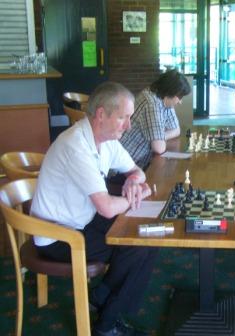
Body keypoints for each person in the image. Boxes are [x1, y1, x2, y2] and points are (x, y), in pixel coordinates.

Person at [31, 82, 158, 336]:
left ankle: (101, 296)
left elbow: (136, 171)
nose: (129, 125)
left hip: (82, 220)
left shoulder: (107, 139)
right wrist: (138, 196)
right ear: (101, 114)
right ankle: (106, 324)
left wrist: (134, 181)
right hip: (58, 235)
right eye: (124, 117)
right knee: (138, 245)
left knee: (151, 236)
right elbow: (107, 208)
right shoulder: (76, 145)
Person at [120, 69, 191, 170]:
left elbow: (176, 130)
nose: (180, 102)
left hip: (139, 163)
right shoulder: (152, 104)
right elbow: (159, 148)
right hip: (126, 167)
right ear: (171, 92)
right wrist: (157, 139)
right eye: (179, 97)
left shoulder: (164, 99)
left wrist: (159, 137)